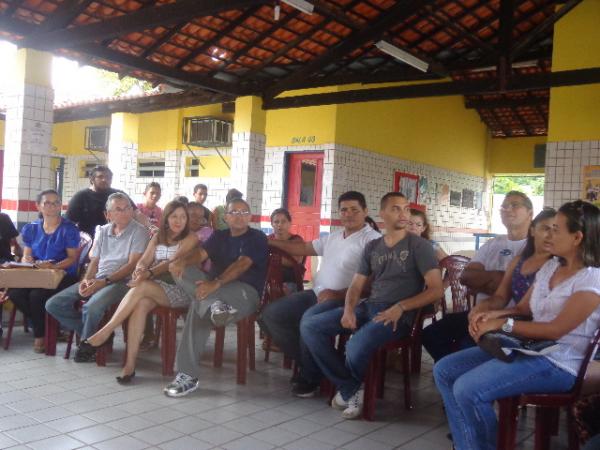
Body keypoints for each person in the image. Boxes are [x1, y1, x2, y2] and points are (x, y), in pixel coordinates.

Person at [434, 200, 600, 450]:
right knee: (445, 370)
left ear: (577, 237)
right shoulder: (552, 266)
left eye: (556, 229)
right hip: (532, 347)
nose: (548, 234)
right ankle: (467, 444)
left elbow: (555, 330)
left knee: (468, 390)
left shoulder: (591, 280)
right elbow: (523, 308)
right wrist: (489, 315)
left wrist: (503, 325)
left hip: (562, 361)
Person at [301, 192, 443, 419]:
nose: (404, 213)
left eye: (406, 208)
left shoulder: (420, 246)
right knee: (311, 326)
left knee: (355, 343)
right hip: (368, 307)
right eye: (396, 208)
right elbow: (356, 286)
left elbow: (436, 289)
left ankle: (349, 390)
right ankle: (351, 387)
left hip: (398, 315)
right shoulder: (373, 247)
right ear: (382, 214)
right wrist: (348, 310)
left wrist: (401, 308)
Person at [258, 191, 381, 397]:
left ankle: (311, 376)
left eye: (354, 210)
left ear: (365, 211)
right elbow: (303, 247)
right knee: (270, 315)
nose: (348, 214)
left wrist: (337, 294)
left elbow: (374, 283)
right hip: (317, 294)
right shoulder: (333, 237)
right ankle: (314, 365)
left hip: (346, 300)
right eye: (344, 210)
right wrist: (268, 242)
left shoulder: (373, 240)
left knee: (308, 320)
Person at [163, 198, 268, 397]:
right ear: (225, 217)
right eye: (234, 212)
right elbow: (200, 254)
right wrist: (182, 262)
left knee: (198, 304)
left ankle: (187, 375)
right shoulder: (219, 236)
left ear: (250, 217)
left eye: (244, 212)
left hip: (244, 292)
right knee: (180, 270)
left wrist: (216, 283)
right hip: (213, 291)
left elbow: (242, 264)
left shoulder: (257, 237)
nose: (239, 216)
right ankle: (214, 308)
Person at [86, 201, 199, 383]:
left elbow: (171, 264)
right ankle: (129, 365)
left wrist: (148, 273)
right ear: (166, 218)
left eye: (183, 217)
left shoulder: (191, 237)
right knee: (139, 305)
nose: (179, 221)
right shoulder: (157, 237)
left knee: (142, 286)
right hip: (156, 288)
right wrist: (139, 270)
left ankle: (106, 330)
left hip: (181, 289)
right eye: (174, 216)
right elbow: (144, 260)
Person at [422, 191, 533, 362]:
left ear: (530, 213)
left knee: (468, 346)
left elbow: (518, 289)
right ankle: (456, 372)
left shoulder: (533, 247)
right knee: (431, 333)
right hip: (479, 312)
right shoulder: (492, 244)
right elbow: (466, 277)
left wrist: (486, 281)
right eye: (504, 206)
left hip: (511, 317)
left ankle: (459, 371)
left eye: (515, 205)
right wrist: (499, 278)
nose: (508, 209)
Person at [46, 192, 149, 362]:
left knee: (91, 307)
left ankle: (87, 347)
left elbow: (132, 265)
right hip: (99, 278)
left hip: (123, 282)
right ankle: (98, 335)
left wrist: (103, 282)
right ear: (108, 214)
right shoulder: (103, 230)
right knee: (53, 304)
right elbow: (95, 260)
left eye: (127, 208)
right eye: (118, 209)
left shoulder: (139, 231)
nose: (124, 212)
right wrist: (87, 280)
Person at [0, 190, 80, 353]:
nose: (52, 206)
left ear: (60, 206)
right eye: (47, 203)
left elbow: (72, 258)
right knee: (15, 294)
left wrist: (53, 266)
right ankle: (51, 328)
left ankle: (40, 336)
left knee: (36, 296)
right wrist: (26, 260)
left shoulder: (69, 229)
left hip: (63, 274)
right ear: (39, 206)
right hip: (37, 274)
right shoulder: (32, 228)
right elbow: (27, 254)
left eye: (56, 202)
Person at [467, 208, 556, 333]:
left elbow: (526, 310)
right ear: (532, 231)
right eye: (546, 228)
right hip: (512, 319)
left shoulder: (555, 266)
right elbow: (501, 297)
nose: (551, 235)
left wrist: (494, 316)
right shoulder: (518, 261)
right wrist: (483, 307)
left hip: (534, 327)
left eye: (556, 230)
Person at [66, 165, 143, 237]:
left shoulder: (119, 195)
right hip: (89, 242)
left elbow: (136, 213)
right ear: (92, 179)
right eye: (100, 177)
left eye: (108, 177)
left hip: (118, 240)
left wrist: (150, 227)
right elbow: (69, 222)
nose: (104, 180)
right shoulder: (81, 196)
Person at [268, 208, 305, 294]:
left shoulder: (297, 240)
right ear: (272, 224)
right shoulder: (268, 239)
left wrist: (269, 259)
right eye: (276, 222)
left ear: (289, 223)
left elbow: (295, 261)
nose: (279, 225)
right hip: (269, 279)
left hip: (290, 281)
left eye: (283, 221)